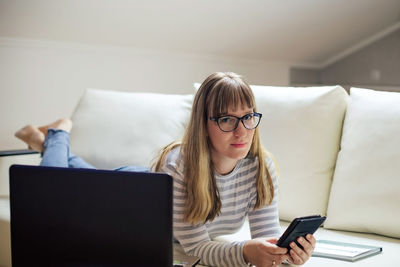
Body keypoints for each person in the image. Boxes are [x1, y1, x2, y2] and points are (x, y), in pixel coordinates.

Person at [15, 72, 316, 267]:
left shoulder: (261, 167)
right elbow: (196, 248)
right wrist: (245, 253)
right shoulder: (180, 166)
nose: (241, 131)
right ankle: (58, 134)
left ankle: (42, 141)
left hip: (147, 190)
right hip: (129, 196)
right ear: (204, 124)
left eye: (248, 117)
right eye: (226, 120)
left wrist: (287, 254)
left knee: (81, 175)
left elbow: (266, 239)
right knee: (55, 187)